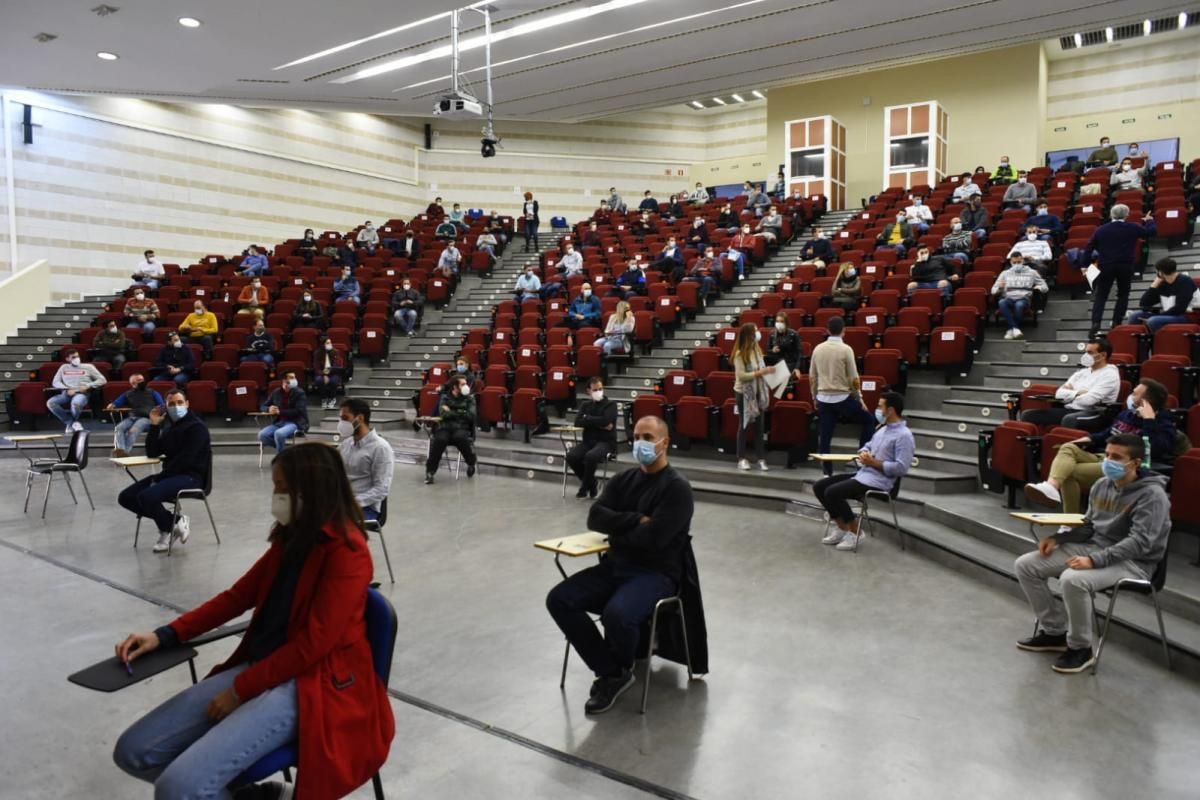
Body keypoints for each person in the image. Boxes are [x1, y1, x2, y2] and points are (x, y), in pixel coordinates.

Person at [112, 442, 394, 797]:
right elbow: (237, 597)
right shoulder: (292, 537)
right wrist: (166, 634)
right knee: (134, 752)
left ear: (312, 490)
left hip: (312, 683)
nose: (276, 496)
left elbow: (312, 647)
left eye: (282, 488)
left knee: (177, 788)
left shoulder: (348, 553)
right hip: (266, 665)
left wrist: (239, 691)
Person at [545, 414, 694, 714]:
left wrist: (617, 533)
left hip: (655, 574)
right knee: (559, 599)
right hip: (615, 567)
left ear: (664, 443)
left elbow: (655, 540)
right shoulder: (622, 479)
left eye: (648, 438)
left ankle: (614, 671)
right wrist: (635, 520)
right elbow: (594, 517)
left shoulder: (677, 489)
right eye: (637, 437)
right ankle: (613, 671)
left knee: (618, 614)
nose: (640, 443)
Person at [1014, 433, 1170, 673]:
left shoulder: (1153, 495)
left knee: (1072, 580)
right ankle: (1055, 632)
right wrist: (1058, 539)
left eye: (1116, 457)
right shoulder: (1101, 485)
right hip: (1096, 547)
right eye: (1107, 455)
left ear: (1136, 463)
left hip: (1135, 562)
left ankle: (1080, 648)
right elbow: (1089, 525)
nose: (1108, 461)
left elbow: (1141, 543)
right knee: (1026, 565)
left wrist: (1094, 560)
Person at [1025, 379, 1176, 513]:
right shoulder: (1126, 415)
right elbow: (1108, 434)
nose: (1130, 396)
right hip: (1103, 455)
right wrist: (1089, 438)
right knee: (1067, 447)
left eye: (1135, 394)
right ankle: (1051, 486)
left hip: (1124, 464)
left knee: (1069, 473)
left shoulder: (1163, 423)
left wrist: (1149, 421)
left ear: (1146, 401)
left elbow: (1152, 451)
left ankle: (1070, 522)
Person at [815, 391, 915, 551]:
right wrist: (863, 452)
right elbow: (868, 445)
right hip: (863, 475)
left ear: (890, 410)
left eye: (880, 406)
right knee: (820, 486)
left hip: (881, 482)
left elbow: (901, 468)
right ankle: (842, 528)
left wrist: (874, 462)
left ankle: (856, 532)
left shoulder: (905, 436)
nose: (877, 410)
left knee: (833, 492)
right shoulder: (882, 429)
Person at [116, 387, 210, 553]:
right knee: (126, 497)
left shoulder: (197, 427)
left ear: (187, 404)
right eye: (171, 404)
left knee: (147, 496)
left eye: (180, 403)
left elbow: (186, 460)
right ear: (166, 406)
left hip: (191, 477)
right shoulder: (169, 428)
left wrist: (159, 479)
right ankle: (174, 522)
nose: (176, 407)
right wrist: (154, 425)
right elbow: (152, 452)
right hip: (169, 475)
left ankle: (166, 530)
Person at [809, 316, 876, 475]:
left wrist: (814, 397)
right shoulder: (846, 349)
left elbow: (813, 377)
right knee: (869, 420)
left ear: (827, 330)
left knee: (825, 435)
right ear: (844, 331)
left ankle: (827, 472)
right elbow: (854, 378)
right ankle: (862, 460)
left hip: (823, 398)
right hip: (842, 399)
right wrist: (860, 399)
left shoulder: (818, 349)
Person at [1085, 204, 1157, 336]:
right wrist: (1149, 220)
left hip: (1106, 265)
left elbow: (1088, 247)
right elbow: (1151, 232)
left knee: (1101, 295)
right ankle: (1116, 322)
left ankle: (1096, 322)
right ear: (1127, 215)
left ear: (1111, 215)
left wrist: (1085, 265)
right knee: (1123, 294)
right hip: (1125, 265)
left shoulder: (1101, 230)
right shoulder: (1132, 227)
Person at [1020, 339, 1120, 430]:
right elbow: (1059, 393)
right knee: (1028, 415)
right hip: (1070, 409)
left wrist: (1069, 393)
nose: (1085, 356)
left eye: (1090, 352)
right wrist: (1078, 393)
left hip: (1096, 413)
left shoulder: (1110, 374)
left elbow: (1089, 401)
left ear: (1103, 355)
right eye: (1085, 352)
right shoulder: (1082, 372)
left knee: (1069, 419)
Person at [337, 398, 394, 518]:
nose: (341, 423)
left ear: (360, 418)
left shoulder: (380, 448)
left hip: (365, 508)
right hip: (342, 502)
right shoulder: (346, 444)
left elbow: (381, 489)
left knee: (329, 522)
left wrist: (351, 502)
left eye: (345, 418)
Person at [565, 377, 618, 497]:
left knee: (590, 456)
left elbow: (606, 421)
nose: (599, 392)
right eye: (595, 390)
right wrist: (599, 423)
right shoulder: (585, 405)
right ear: (588, 391)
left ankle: (584, 488)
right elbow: (577, 423)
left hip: (606, 442)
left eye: (600, 389)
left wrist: (587, 418)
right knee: (571, 456)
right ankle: (592, 483)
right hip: (588, 441)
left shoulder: (611, 405)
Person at [731, 323, 770, 471]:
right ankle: (741, 458)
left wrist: (768, 371)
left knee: (760, 426)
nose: (758, 333)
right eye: (755, 331)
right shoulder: (740, 354)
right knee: (745, 424)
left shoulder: (757, 351)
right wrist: (758, 373)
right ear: (749, 335)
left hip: (758, 391)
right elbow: (741, 376)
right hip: (744, 393)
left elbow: (761, 368)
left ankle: (761, 458)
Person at [423, 375, 477, 484]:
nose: (465, 386)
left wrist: (451, 411)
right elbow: (443, 414)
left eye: (465, 384)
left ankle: (471, 462)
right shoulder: (445, 397)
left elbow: (471, 415)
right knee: (439, 440)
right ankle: (430, 472)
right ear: (455, 386)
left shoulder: (470, 398)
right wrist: (462, 411)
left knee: (460, 437)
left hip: (461, 427)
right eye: (462, 384)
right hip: (445, 427)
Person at [1126, 257, 1196, 333]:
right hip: (1170, 314)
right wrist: (1154, 285)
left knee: (1154, 321)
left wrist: (1158, 316)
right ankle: (1139, 343)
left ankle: (1160, 343)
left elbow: (1180, 308)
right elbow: (1144, 303)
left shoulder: (1184, 281)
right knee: (1135, 316)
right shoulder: (1162, 284)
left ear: (1160, 272)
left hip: (1187, 316)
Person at [47, 348, 107, 433]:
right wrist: (66, 388)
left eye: (77, 356)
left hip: (81, 393)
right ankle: (71, 422)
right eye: (73, 357)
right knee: (50, 403)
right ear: (67, 359)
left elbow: (102, 380)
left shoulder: (88, 367)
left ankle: (70, 424)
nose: (77, 358)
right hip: (67, 393)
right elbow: (55, 382)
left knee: (76, 403)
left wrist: (88, 385)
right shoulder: (64, 367)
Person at [991, 253, 1049, 339]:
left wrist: (1039, 287)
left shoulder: (1032, 272)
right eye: (1014, 262)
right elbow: (993, 291)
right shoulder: (1005, 273)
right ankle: (1015, 328)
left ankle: (1011, 328)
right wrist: (1000, 288)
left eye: (1019, 262)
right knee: (1002, 302)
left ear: (1023, 261)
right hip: (1008, 297)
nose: (1017, 264)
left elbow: (1045, 287)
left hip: (1024, 298)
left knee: (1019, 305)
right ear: (1011, 262)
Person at [106, 374, 163, 457]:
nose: (137, 383)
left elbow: (162, 405)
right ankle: (122, 452)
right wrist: (112, 405)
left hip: (146, 418)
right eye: (134, 382)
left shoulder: (153, 392)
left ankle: (125, 454)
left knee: (133, 430)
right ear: (131, 383)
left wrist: (156, 411)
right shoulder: (128, 393)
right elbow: (116, 403)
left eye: (139, 381)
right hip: (132, 417)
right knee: (118, 428)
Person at [256, 371, 309, 453]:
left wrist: (280, 412)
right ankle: (285, 453)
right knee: (262, 435)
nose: (295, 379)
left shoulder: (300, 393)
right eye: (291, 377)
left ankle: (281, 457)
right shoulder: (276, 392)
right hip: (279, 422)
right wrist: (269, 409)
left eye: (295, 377)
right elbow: (262, 406)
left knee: (279, 434)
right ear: (284, 380)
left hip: (294, 422)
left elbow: (299, 411)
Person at [313, 338, 347, 410]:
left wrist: (329, 373)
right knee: (319, 380)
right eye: (327, 343)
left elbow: (338, 366)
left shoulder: (336, 352)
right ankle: (324, 398)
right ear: (323, 345)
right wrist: (324, 375)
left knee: (333, 381)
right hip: (322, 374)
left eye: (330, 343)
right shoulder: (317, 353)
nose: (330, 344)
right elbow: (316, 368)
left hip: (334, 373)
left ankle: (332, 398)